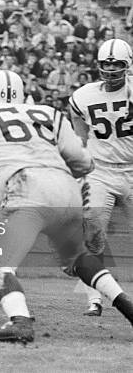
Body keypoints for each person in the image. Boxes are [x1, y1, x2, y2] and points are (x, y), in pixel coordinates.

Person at [0, 69, 133, 343]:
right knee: (78, 257)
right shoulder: (48, 113)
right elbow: (84, 163)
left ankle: (19, 321)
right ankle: (126, 305)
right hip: (65, 188)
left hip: (24, 187)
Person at [68, 38, 133, 317]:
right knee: (92, 232)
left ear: (127, 66)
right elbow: (80, 137)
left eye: (117, 64)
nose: (110, 70)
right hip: (101, 170)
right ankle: (95, 297)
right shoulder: (83, 96)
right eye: (106, 64)